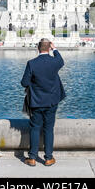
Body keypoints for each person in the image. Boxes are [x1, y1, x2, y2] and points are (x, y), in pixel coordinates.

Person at [20, 38, 65, 167]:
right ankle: (48, 158)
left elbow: (24, 83)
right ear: (49, 48)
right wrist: (55, 49)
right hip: (51, 101)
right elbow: (61, 60)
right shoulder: (55, 62)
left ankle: (32, 158)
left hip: (36, 101)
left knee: (35, 128)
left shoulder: (32, 63)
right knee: (48, 129)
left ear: (38, 49)